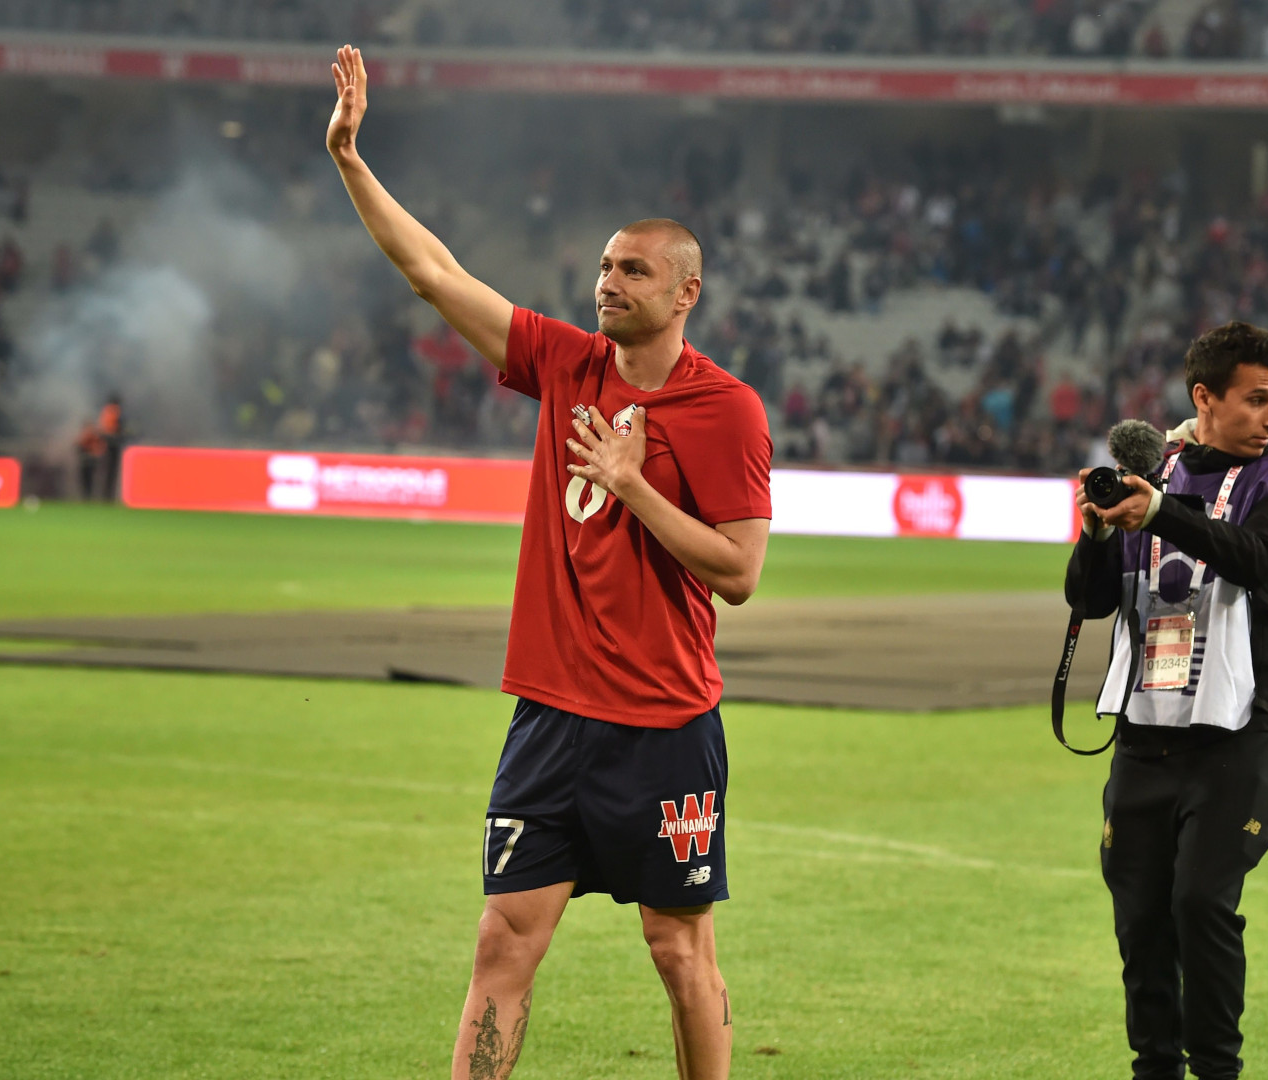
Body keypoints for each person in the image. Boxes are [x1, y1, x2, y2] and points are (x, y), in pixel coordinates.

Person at [325, 46, 772, 1080]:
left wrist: (633, 486)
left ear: (687, 290)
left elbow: (740, 573)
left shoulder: (724, 409)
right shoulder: (564, 363)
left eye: (634, 271)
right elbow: (433, 274)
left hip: (665, 722)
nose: (608, 284)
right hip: (551, 720)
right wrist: (351, 159)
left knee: (678, 948)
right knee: (502, 942)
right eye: (606, 267)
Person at [1066, 321, 1268, 1080]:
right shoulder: (1157, 476)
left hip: (1235, 742)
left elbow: (1257, 558)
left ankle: (1217, 1071)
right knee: (1142, 922)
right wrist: (1094, 530)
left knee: (1200, 906)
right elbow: (1086, 603)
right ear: (1204, 398)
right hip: (1145, 742)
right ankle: (1154, 1070)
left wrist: (1158, 514)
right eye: (1257, 400)